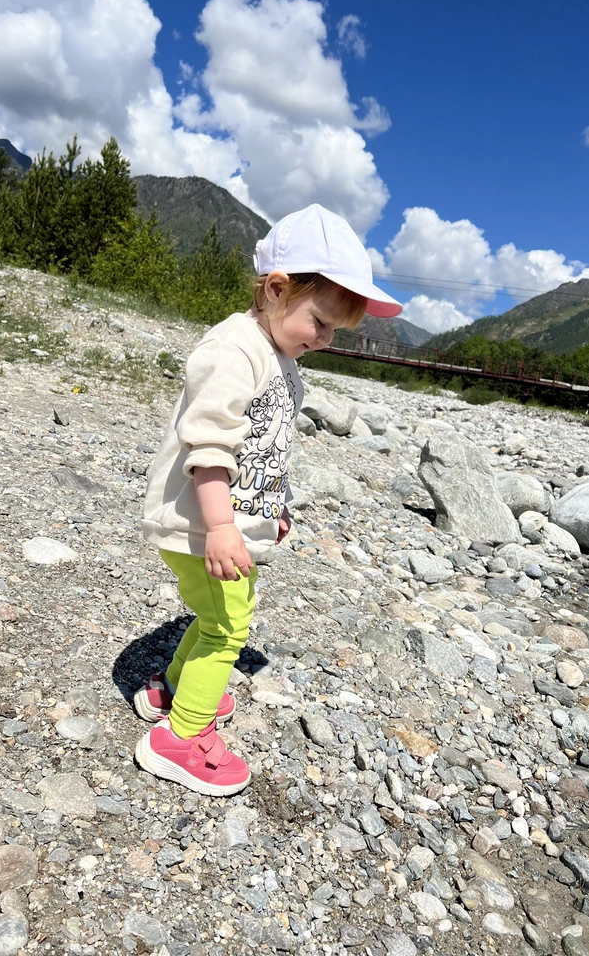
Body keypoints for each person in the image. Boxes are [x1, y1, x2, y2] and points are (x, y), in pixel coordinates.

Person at [133, 203, 402, 796]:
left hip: (224, 520)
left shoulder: (281, 358)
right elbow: (209, 445)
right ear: (278, 289)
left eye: (335, 331)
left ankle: (174, 689)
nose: (326, 340)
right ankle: (179, 737)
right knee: (230, 626)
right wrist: (224, 528)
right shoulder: (234, 350)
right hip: (200, 522)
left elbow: (264, 452)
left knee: (215, 618)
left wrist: (270, 510)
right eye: (321, 323)